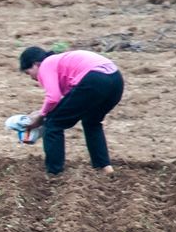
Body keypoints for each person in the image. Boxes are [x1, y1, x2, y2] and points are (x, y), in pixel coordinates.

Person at [19, 46, 124, 176]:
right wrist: (42, 112)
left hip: (94, 79)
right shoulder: (62, 63)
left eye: (28, 72)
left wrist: (41, 116)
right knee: (92, 122)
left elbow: (53, 98)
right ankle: (104, 167)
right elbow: (69, 101)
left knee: (53, 123)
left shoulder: (47, 64)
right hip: (116, 80)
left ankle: (54, 173)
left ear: (35, 64)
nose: (31, 78)